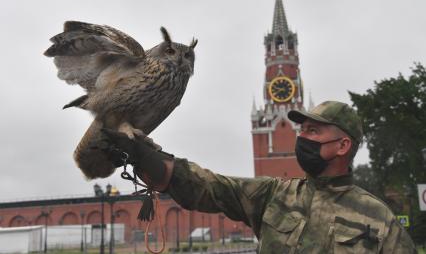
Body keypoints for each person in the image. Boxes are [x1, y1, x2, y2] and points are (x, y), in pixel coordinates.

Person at [103, 101, 416, 253]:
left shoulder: (380, 220)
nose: (302, 137)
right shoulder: (274, 194)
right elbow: (210, 187)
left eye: (313, 131)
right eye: (301, 130)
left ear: (343, 146)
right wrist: (148, 157)